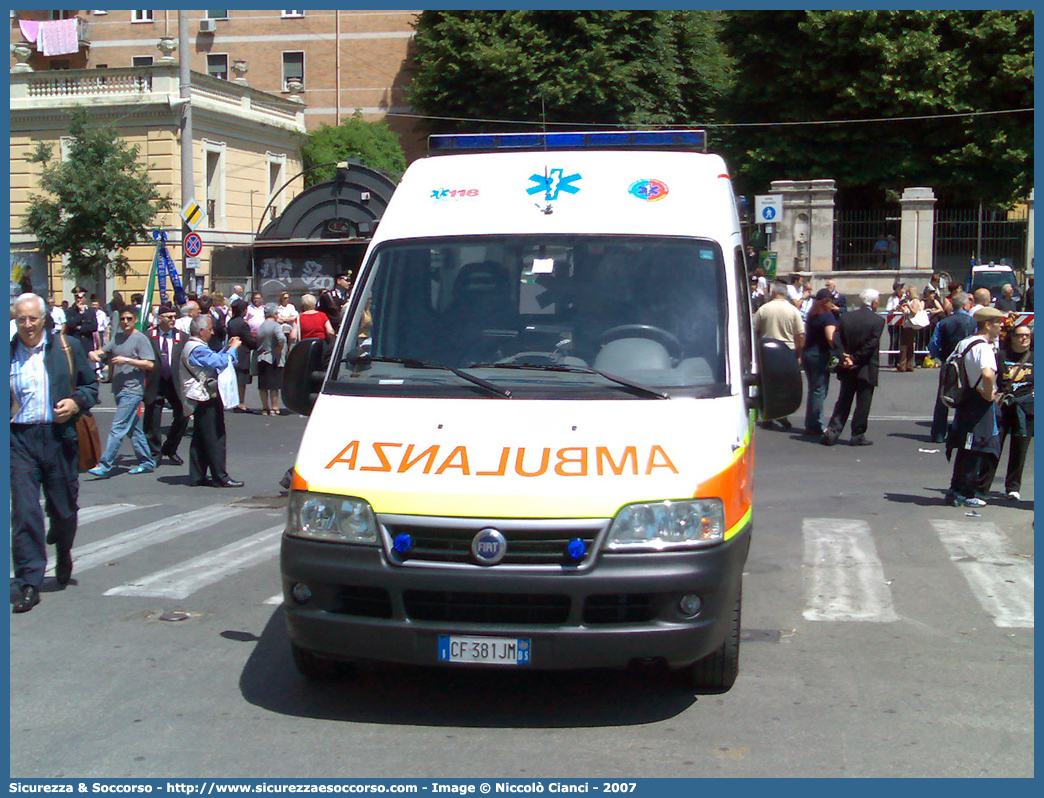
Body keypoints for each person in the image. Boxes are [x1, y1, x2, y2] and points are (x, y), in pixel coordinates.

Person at [10, 293, 100, 613]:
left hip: (59, 438)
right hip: (19, 440)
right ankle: (30, 581)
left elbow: (91, 387)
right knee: (24, 512)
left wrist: (75, 402)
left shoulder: (67, 348)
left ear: (44, 318)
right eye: (21, 319)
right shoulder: (8, 353)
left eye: (33, 318)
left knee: (64, 510)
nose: (27, 325)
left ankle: (63, 547)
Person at [944, 307, 1007, 507]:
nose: (1001, 326)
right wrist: (990, 394)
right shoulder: (984, 348)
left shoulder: (965, 343)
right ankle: (964, 492)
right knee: (976, 448)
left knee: (965, 447)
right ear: (987, 324)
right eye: (997, 323)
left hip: (965, 400)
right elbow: (987, 374)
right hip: (978, 402)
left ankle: (956, 489)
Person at [86, 308, 156, 477]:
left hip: (133, 389)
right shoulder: (118, 337)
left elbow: (150, 364)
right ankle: (147, 461)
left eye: (129, 318)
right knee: (132, 428)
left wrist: (128, 360)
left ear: (135, 319)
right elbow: (103, 351)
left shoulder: (140, 339)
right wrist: (93, 353)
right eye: (123, 319)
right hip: (118, 388)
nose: (125, 321)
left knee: (118, 427)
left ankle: (105, 464)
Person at [181, 314, 244, 488]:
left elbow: (213, 359)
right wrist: (233, 349)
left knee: (200, 438)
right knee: (215, 436)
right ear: (201, 331)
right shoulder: (197, 348)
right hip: (205, 396)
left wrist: (227, 348)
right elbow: (220, 362)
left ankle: (197, 475)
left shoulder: (194, 346)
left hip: (199, 396)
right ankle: (220, 476)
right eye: (209, 329)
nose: (212, 332)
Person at [821, 288, 886, 446]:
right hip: (866, 366)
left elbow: (836, 337)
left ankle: (833, 432)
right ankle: (857, 434)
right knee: (863, 403)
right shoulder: (877, 320)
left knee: (844, 400)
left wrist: (844, 356)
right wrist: (855, 358)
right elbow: (871, 344)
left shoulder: (846, 317)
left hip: (847, 366)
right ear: (875, 302)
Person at [752, 281, 805, 430]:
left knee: (766, 384)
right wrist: (799, 354)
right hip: (787, 351)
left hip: (766, 351)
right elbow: (800, 335)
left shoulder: (764, 309)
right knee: (784, 386)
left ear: (774, 293)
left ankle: (768, 414)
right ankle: (782, 414)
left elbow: (753, 330)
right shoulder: (793, 310)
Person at [927, 290, 978, 443]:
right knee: (965, 397)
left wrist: (940, 356)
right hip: (966, 363)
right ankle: (960, 431)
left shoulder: (944, 323)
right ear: (964, 305)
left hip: (948, 363)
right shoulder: (972, 322)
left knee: (943, 397)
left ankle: (938, 433)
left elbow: (933, 344)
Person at [143, 304, 189, 466]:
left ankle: (170, 448)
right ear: (159, 318)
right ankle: (155, 452)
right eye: (168, 317)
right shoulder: (149, 336)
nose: (172, 320)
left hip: (175, 383)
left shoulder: (182, 337)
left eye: (174, 317)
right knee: (152, 420)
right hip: (155, 382)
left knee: (183, 415)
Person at [993, 324, 1033, 500]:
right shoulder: (1001, 356)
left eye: (1027, 336)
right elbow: (989, 376)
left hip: (1027, 409)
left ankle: (1013, 487)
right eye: (1020, 335)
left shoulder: (1035, 357)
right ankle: (982, 485)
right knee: (994, 447)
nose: (1024, 339)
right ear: (1012, 338)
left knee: (1020, 448)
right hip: (1003, 406)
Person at [802, 288, 842, 436]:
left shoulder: (812, 314)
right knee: (819, 390)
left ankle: (810, 422)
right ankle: (816, 424)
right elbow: (831, 338)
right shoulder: (827, 317)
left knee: (813, 390)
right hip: (819, 355)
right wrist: (840, 351)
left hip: (808, 353)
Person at [255, 303, 287, 416]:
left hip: (261, 358)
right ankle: (274, 407)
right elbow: (282, 338)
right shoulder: (275, 326)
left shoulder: (261, 326)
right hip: (272, 358)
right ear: (274, 314)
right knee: (273, 385)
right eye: (277, 313)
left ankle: (265, 407)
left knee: (263, 385)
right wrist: (279, 348)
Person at [226, 298, 257, 412]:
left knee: (235, 377)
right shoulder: (243, 324)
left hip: (233, 350)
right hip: (243, 351)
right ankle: (241, 402)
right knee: (242, 380)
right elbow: (248, 339)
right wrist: (256, 343)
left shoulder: (231, 322)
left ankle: (235, 402)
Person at [897, 285, 924, 372]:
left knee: (904, 345)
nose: (906, 293)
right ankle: (909, 364)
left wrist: (908, 305)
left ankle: (903, 364)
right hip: (907, 325)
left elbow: (914, 312)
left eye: (908, 292)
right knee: (909, 345)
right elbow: (907, 313)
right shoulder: (910, 301)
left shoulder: (915, 301)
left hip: (911, 326)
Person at [64, 288, 97, 356]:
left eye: (81, 297)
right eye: (77, 298)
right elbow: (70, 324)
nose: (79, 300)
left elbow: (94, 327)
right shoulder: (70, 311)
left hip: (87, 344)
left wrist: (79, 328)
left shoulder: (90, 311)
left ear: (85, 298)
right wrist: (80, 314)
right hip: (75, 343)